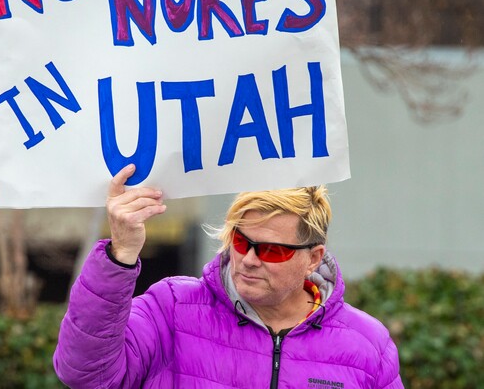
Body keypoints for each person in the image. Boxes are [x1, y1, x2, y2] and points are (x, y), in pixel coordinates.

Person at [53, 164, 404, 388]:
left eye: (272, 250)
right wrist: (121, 255)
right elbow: (84, 373)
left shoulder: (368, 345)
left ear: (313, 258)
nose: (249, 259)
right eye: (240, 240)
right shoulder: (172, 308)